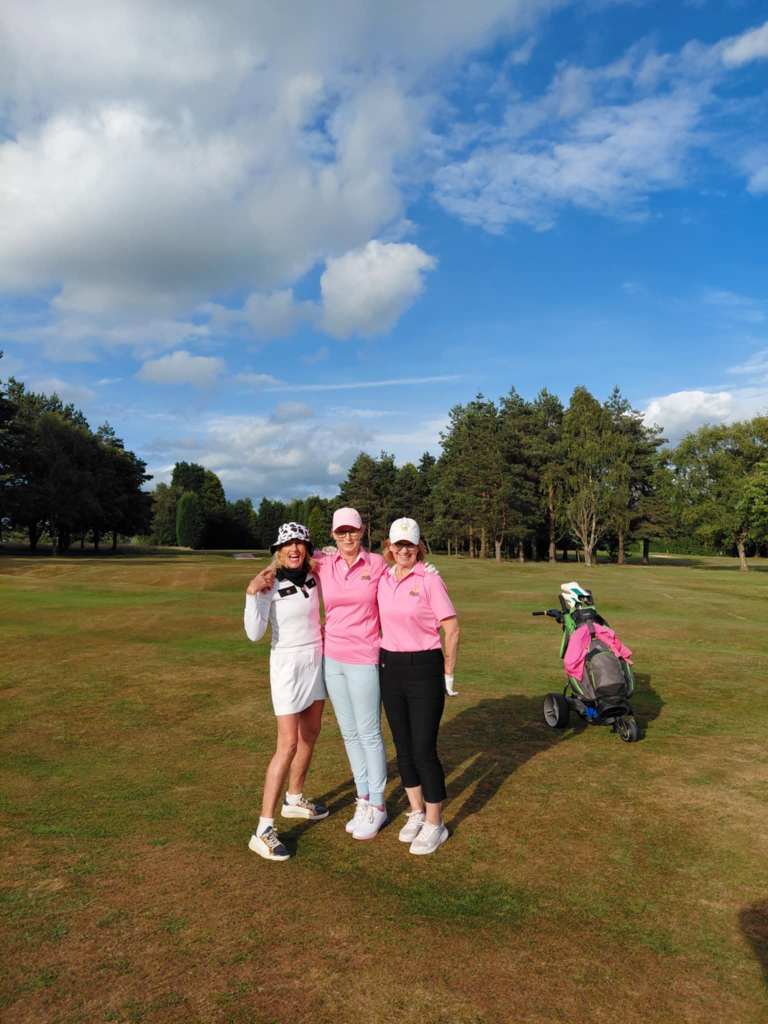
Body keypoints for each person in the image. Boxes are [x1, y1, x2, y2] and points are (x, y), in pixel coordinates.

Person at [243, 522, 328, 862]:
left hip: (315, 660)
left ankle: (294, 799)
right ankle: (263, 830)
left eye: (300, 543)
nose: (294, 549)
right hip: (287, 667)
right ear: (278, 551)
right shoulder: (268, 583)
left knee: (311, 734)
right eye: (287, 545)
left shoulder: (314, 574)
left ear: (307, 548)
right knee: (288, 744)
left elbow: (340, 554)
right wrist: (251, 593)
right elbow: (254, 634)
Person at [377, 517, 460, 855]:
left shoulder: (430, 580)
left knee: (424, 749)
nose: (404, 550)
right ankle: (416, 811)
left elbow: (451, 628)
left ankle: (436, 823)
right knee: (403, 746)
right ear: (389, 546)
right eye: (398, 544)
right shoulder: (383, 578)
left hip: (424, 667)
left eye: (409, 544)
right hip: (389, 666)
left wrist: (448, 672)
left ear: (418, 546)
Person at [313, 508, 389, 841]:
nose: (347, 537)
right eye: (341, 531)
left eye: (353, 530)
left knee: (369, 732)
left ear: (362, 531)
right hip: (333, 659)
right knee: (349, 733)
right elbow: (288, 556)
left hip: (365, 657)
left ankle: (379, 805)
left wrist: (427, 569)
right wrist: (261, 578)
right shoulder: (323, 563)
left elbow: (406, 571)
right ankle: (364, 797)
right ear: (333, 534)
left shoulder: (377, 564)